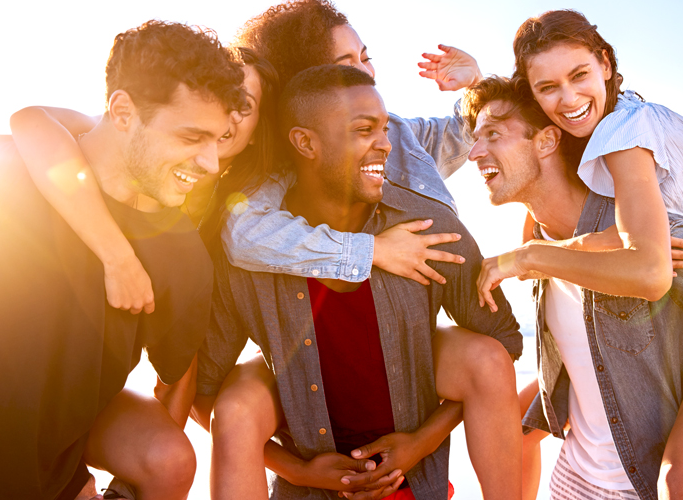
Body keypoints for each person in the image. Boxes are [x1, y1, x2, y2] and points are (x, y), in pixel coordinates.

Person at [0, 20, 247, 500]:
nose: (210, 163)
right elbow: (31, 120)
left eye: (219, 140)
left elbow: (176, 384)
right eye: (192, 138)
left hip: (51, 472)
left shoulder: (183, 257)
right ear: (122, 112)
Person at [196, 64, 523, 500]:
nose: (385, 144)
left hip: (410, 481)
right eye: (363, 129)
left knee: (487, 357)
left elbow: (506, 340)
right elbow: (205, 394)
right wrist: (300, 471)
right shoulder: (252, 250)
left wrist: (420, 444)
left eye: (385, 129)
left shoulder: (426, 224)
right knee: (235, 404)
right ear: (305, 142)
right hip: (308, 486)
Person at [459, 10, 683, 500]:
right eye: (548, 89)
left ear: (605, 64)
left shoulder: (639, 189)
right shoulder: (546, 232)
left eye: (493, 135)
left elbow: (656, 271)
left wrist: (529, 258)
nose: (566, 99)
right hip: (581, 480)